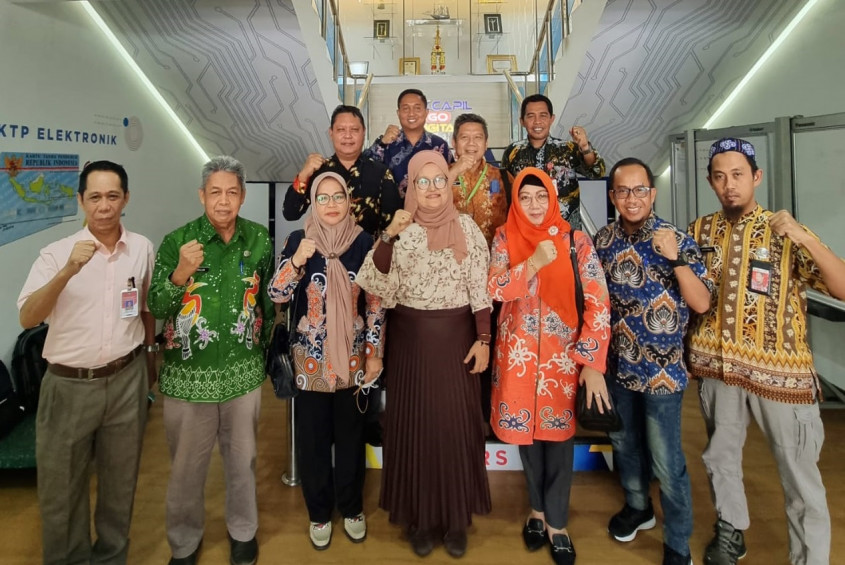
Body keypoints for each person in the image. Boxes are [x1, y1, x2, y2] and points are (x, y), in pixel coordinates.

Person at [687, 138, 845, 565]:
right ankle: (730, 530)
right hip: (718, 369)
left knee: (799, 474)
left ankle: (809, 557)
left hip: (782, 377)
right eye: (720, 177)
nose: (729, 185)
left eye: (738, 175)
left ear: (756, 177)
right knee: (721, 459)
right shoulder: (699, 231)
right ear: (710, 182)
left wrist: (804, 238)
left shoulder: (785, 230)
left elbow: (842, 286)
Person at [17, 160, 157, 565]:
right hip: (68, 385)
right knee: (61, 489)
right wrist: (68, 271)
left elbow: (146, 307)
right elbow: (28, 317)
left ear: (125, 198)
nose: (104, 206)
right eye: (95, 197)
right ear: (81, 201)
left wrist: (150, 357)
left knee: (120, 483)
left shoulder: (142, 249)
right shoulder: (56, 254)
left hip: (127, 377)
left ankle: (112, 556)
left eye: (112, 196)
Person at [356, 150, 492, 558]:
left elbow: (479, 289)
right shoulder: (402, 228)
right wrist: (388, 235)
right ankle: (420, 519)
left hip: (457, 345)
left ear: (449, 185)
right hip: (411, 346)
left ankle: (455, 519)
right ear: (411, 187)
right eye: (423, 182)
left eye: (439, 180)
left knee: (454, 430)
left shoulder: (467, 228)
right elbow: (375, 282)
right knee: (414, 429)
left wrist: (484, 339)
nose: (432, 189)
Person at [148, 156, 275, 565]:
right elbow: (156, 306)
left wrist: (263, 352)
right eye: (215, 192)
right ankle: (184, 542)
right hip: (189, 378)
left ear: (243, 196)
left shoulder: (259, 239)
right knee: (186, 468)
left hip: (242, 374)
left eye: (232, 192)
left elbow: (267, 303)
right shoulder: (178, 242)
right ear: (202, 195)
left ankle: (243, 531)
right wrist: (180, 273)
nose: (223, 201)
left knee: (243, 461)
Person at [488, 167, 611, 565]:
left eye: (542, 196)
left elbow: (598, 301)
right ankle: (537, 511)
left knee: (558, 443)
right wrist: (533, 263)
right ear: (515, 202)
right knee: (527, 440)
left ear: (554, 198)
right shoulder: (504, 237)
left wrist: (591, 361)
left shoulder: (577, 241)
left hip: (562, 361)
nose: (535, 205)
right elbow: (493, 288)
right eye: (525, 198)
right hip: (518, 360)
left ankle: (557, 523)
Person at [594, 158, 713, 565]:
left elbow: (702, 302)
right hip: (618, 368)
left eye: (640, 190)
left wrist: (676, 259)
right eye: (623, 191)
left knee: (667, 459)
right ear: (613, 196)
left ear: (653, 193)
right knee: (625, 445)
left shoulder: (675, 238)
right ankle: (638, 506)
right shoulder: (603, 240)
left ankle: (678, 542)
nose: (632, 199)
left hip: (663, 374)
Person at [268, 172, 386, 550]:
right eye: (323, 198)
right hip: (311, 362)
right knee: (314, 441)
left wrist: (375, 353)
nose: (331, 205)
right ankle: (319, 512)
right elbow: (277, 293)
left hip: (352, 360)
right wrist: (296, 261)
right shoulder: (298, 240)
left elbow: (375, 303)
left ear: (348, 202)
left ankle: (351, 508)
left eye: (338, 197)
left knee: (351, 438)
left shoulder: (363, 241)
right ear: (313, 203)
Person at [283, 104, 402, 236]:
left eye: (354, 130)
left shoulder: (381, 173)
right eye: (341, 130)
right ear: (331, 133)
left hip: (369, 248)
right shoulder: (318, 170)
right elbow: (290, 214)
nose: (348, 136)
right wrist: (303, 175)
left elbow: (393, 225)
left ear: (363, 132)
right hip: (324, 247)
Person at [500, 94, 605, 230]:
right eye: (531, 116)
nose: (537, 121)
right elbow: (505, 192)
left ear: (552, 119)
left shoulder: (567, 149)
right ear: (522, 121)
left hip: (564, 229)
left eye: (543, 116)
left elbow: (597, 172)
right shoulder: (513, 152)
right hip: (527, 229)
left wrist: (585, 147)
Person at [362, 88, 454, 197]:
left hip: (432, 206)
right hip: (394, 207)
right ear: (398, 113)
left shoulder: (439, 145)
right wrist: (381, 143)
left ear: (426, 113)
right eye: (406, 109)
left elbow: (452, 179)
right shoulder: (387, 144)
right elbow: (363, 169)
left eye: (417, 108)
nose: (411, 113)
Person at [449, 112, 508, 246]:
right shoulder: (439, 176)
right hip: (451, 254)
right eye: (464, 137)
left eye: (478, 137)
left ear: (486, 143)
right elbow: (425, 211)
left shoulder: (503, 177)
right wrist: (453, 172)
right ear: (454, 142)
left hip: (493, 254)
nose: (471, 143)